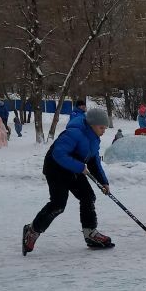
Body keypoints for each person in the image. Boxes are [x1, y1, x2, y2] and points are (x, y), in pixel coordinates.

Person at [22, 106, 114, 254]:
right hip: (55, 169)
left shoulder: (94, 139)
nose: (104, 131)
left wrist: (104, 182)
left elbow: (93, 161)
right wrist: (79, 166)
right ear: (92, 125)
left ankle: (90, 233)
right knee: (58, 204)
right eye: (102, 127)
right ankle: (32, 230)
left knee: (88, 196)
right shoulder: (74, 133)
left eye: (105, 128)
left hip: (73, 169)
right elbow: (59, 154)